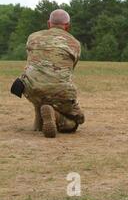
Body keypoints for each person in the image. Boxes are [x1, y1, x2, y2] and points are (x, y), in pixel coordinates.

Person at [20, 9, 85, 138]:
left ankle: (40, 120)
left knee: (37, 83)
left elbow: (31, 63)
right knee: (78, 120)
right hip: (60, 92)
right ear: (67, 25)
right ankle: (55, 116)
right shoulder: (75, 44)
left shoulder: (32, 37)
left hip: (30, 89)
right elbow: (69, 70)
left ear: (49, 23)